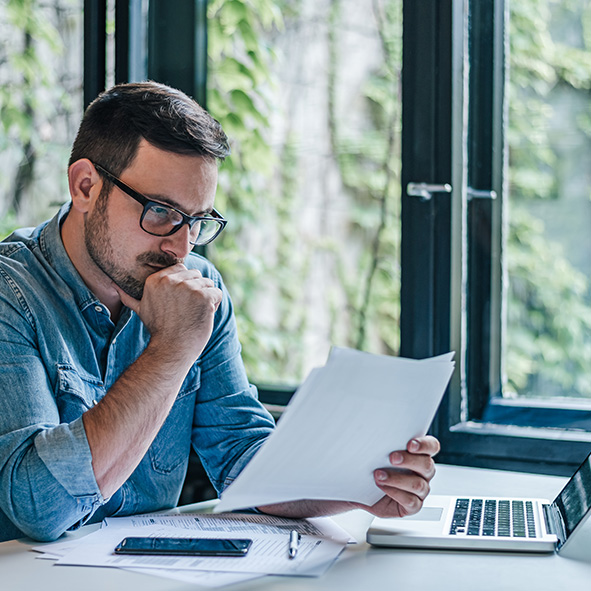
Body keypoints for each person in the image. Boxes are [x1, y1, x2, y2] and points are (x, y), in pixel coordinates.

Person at [0, 81, 440, 543]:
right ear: (85, 186)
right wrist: (171, 349)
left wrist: (361, 486)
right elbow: (39, 508)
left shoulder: (198, 289)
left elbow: (244, 460)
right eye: (161, 212)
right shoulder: (13, 294)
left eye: (197, 221)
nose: (180, 246)